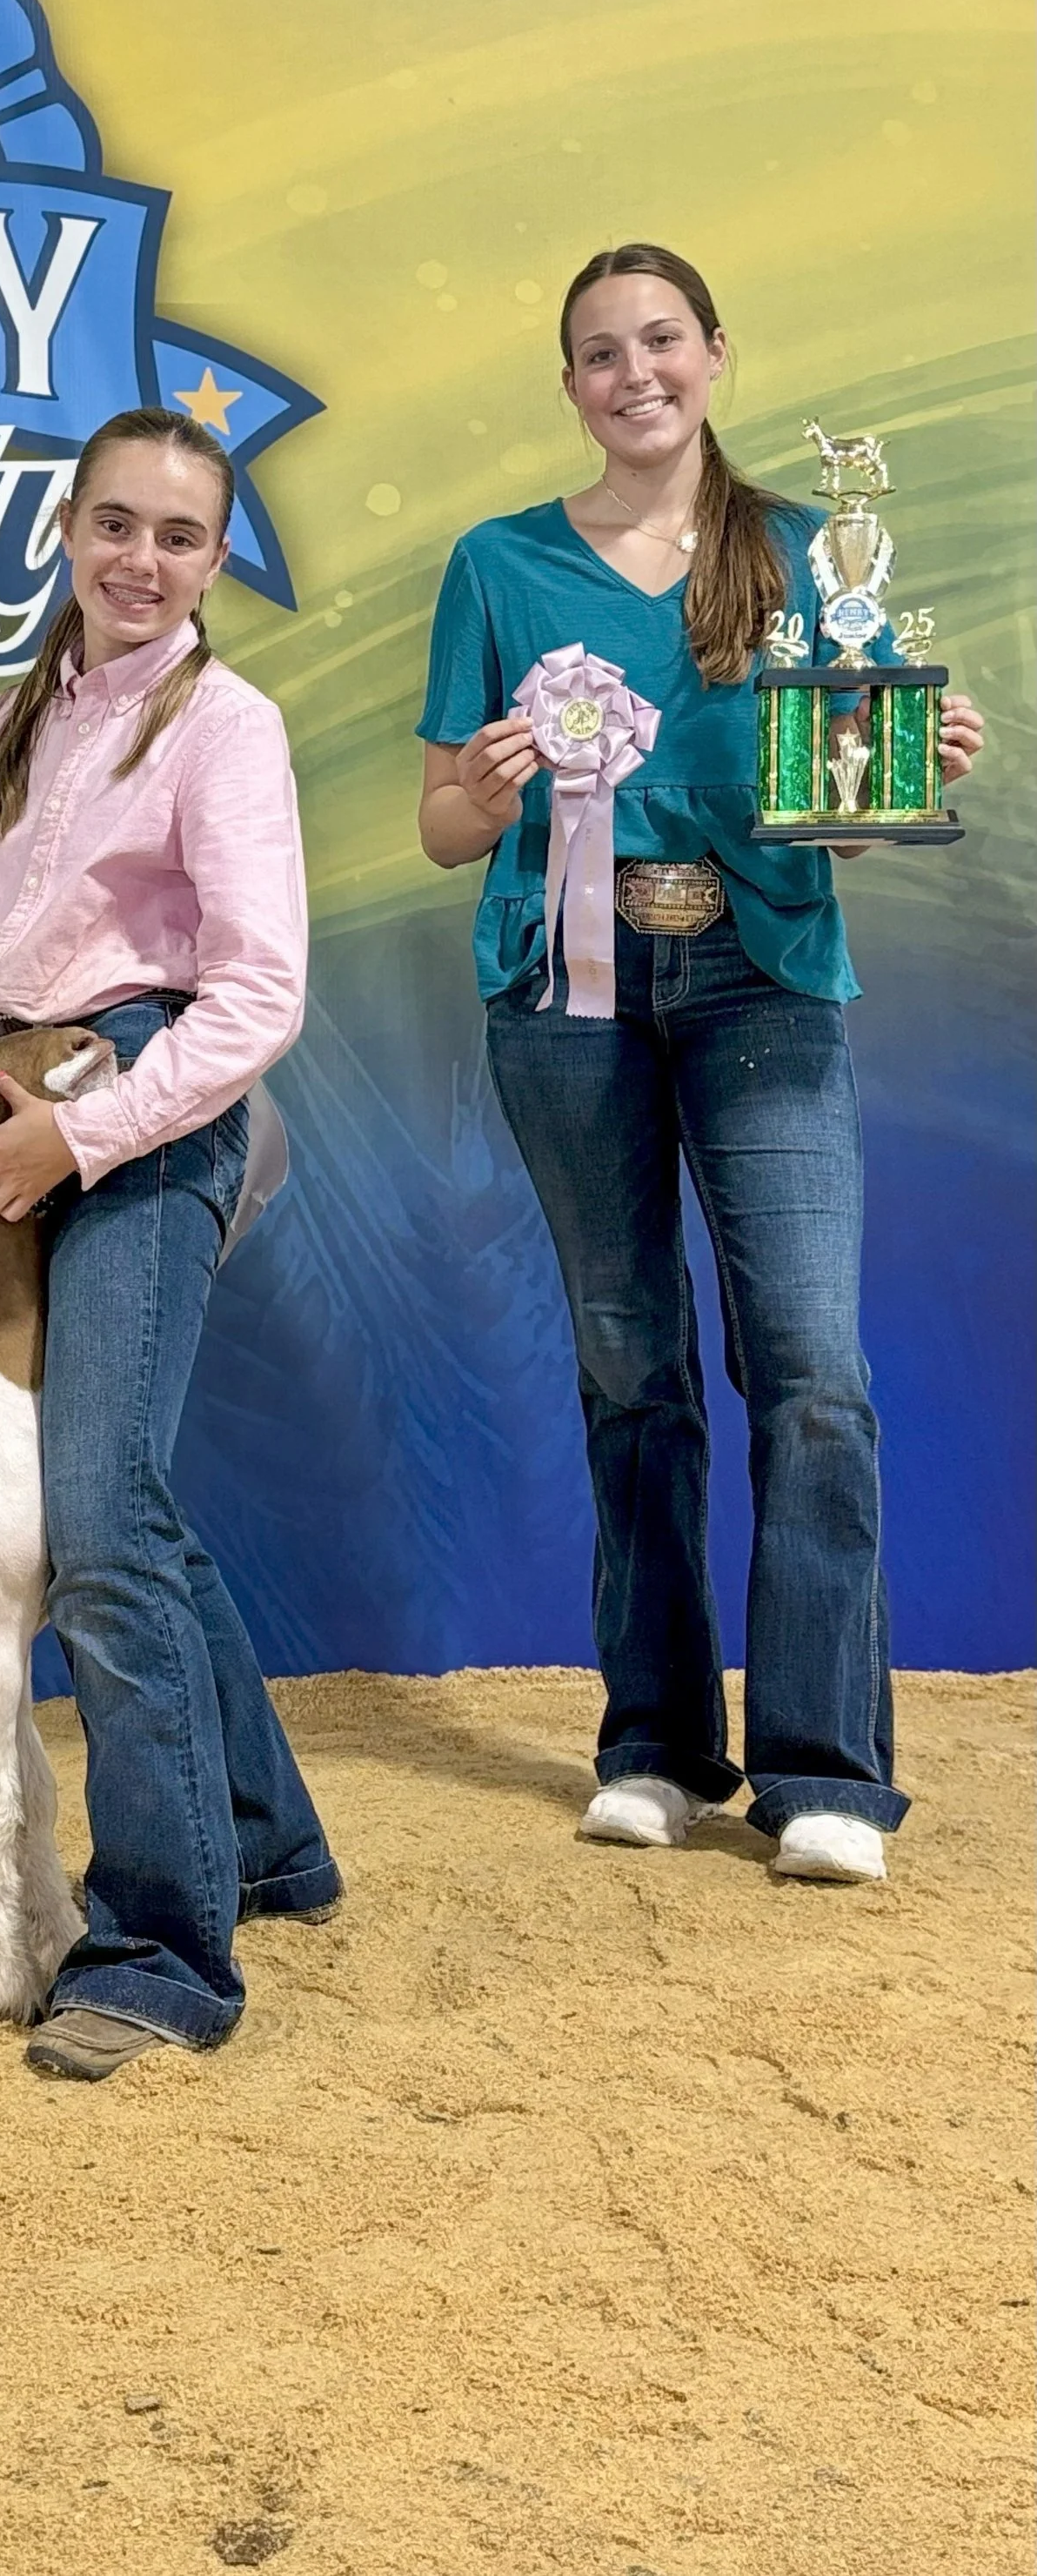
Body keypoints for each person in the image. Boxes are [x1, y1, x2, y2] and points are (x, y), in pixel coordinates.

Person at [417, 241, 984, 1886]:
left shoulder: (808, 554)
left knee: (812, 1369)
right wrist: (492, 790)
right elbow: (443, 825)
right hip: (565, 986)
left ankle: (825, 1769)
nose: (635, 373)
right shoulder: (498, 563)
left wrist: (898, 770)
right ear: (571, 385)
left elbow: (838, 828)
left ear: (715, 354)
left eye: (661, 340)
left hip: (763, 978)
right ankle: (656, 1741)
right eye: (601, 353)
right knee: (631, 1368)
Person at [0, 404, 343, 2081]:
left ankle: (164, 1950)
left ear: (216, 558)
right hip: (22, 1105)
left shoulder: (228, 726)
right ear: (69, 528)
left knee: (94, 1515)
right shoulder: (1, 721)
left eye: (179, 536)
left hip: (151, 1109)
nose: (141, 560)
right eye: (116, 524)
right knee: (124, 1503)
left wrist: (80, 1134)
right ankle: (270, 1837)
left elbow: (256, 993)